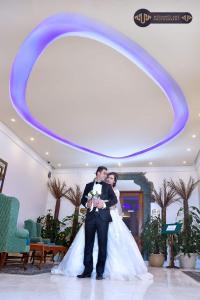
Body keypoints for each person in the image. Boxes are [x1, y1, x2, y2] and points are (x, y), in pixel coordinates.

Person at [51, 169, 153, 281]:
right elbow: (83, 199)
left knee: (103, 245)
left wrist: (103, 204)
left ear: (114, 181)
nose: (108, 178)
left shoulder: (110, 188)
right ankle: (87, 270)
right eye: (106, 176)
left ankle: (100, 272)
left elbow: (114, 201)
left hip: (106, 217)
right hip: (90, 218)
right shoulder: (89, 185)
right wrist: (87, 203)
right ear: (98, 174)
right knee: (87, 244)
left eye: (110, 177)